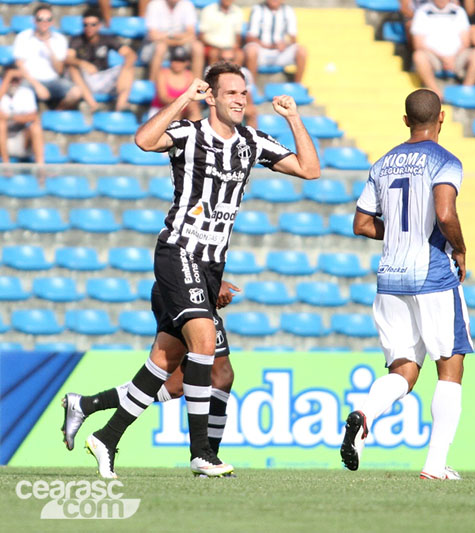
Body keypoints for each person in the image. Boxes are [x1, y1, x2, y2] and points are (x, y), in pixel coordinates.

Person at [84, 61, 320, 479]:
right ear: (211, 96)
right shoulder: (190, 134)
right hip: (178, 251)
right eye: (231, 92)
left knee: (165, 358)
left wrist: (295, 119)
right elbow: (143, 140)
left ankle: (106, 433)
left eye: (243, 93)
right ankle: (201, 453)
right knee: (206, 346)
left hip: (212, 264)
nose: (240, 100)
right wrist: (182, 101)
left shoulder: (251, 141)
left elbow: (310, 169)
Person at [340, 88, 473, 480]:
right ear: (442, 118)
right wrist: (461, 249)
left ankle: (364, 416)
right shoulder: (445, 161)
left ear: (405, 121)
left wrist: (401, 233)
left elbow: (361, 224)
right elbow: (445, 213)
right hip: (432, 275)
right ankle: (435, 465)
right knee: (449, 371)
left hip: (390, 280)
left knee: (403, 372)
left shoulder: (382, 164)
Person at [62, 281, 240, 455]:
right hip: (183, 290)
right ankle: (208, 457)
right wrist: (212, 284)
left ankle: (85, 405)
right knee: (221, 376)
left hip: (192, 292)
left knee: (175, 386)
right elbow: (184, 255)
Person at [66, 7, 137, 112]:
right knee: (72, 68)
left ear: (99, 25)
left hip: (103, 76)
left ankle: (121, 104)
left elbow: (130, 54)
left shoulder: (107, 38)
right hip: (86, 79)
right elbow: (68, 58)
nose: (89, 27)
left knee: (129, 68)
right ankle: (93, 105)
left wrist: (125, 69)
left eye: (93, 24)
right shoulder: (77, 40)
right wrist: (83, 63)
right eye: (86, 25)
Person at [12, 5, 80, 109]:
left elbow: (59, 70)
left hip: (53, 81)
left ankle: (57, 112)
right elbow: (19, 65)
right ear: (34, 21)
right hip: (30, 80)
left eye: (48, 19)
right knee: (22, 97)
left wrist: (49, 48)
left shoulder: (59, 39)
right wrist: (37, 85)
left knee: (77, 92)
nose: (44, 22)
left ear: (52, 22)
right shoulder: (23, 37)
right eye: (40, 19)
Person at [410, 0, 475, 99]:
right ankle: (436, 93)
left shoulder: (459, 11)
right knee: (418, 56)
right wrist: (442, 57)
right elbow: (418, 44)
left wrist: (453, 57)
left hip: (457, 56)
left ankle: (465, 92)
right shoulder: (422, 11)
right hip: (433, 57)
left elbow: (466, 42)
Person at [244, 0, 307, 83]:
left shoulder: (288, 11)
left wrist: (285, 44)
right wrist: (269, 46)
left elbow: (293, 38)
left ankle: (297, 85)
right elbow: (250, 37)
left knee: (302, 50)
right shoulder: (257, 9)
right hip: (262, 51)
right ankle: (252, 87)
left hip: (280, 53)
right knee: (251, 50)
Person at [141, 0, 204, 82]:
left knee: (198, 47)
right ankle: (153, 85)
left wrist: (170, 38)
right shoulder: (154, 4)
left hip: (178, 42)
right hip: (159, 45)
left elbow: (191, 33)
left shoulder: (187, 4)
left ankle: (197, 85)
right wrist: (176, 37)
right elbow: (153, 35)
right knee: (161, 48)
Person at [0, 68, 44, 164]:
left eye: (17, 79)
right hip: (3, 138)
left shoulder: (26, 93)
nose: (14, 82)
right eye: (12, 79)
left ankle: (41, 167)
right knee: (1, 125)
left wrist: (10, 117)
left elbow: (33, 117)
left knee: (35, 127)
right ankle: (6, 164)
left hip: (21, 137)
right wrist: (8, 77)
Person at [150, 46, 203, 121]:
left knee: (195, 110)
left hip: (183, 109)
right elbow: (163, 97)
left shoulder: (190, 75)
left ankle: (198, 130)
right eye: (175, 60)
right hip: (162, 109)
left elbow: (195, 95)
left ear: (186, 62)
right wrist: (182, 103)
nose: (178, 64)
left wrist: (190, 104)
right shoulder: (162, 74)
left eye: (181, 61)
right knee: (175, 113)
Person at [198, 0, 245, 66]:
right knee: (214, 54)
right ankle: (214, 75)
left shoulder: (238, 11)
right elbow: (202, 35)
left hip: (230, 47)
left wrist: (234, 47)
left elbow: (238, 35)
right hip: (212, 46)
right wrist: (217, 47)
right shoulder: (208, 10)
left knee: (239, 55)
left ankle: (235, 75)